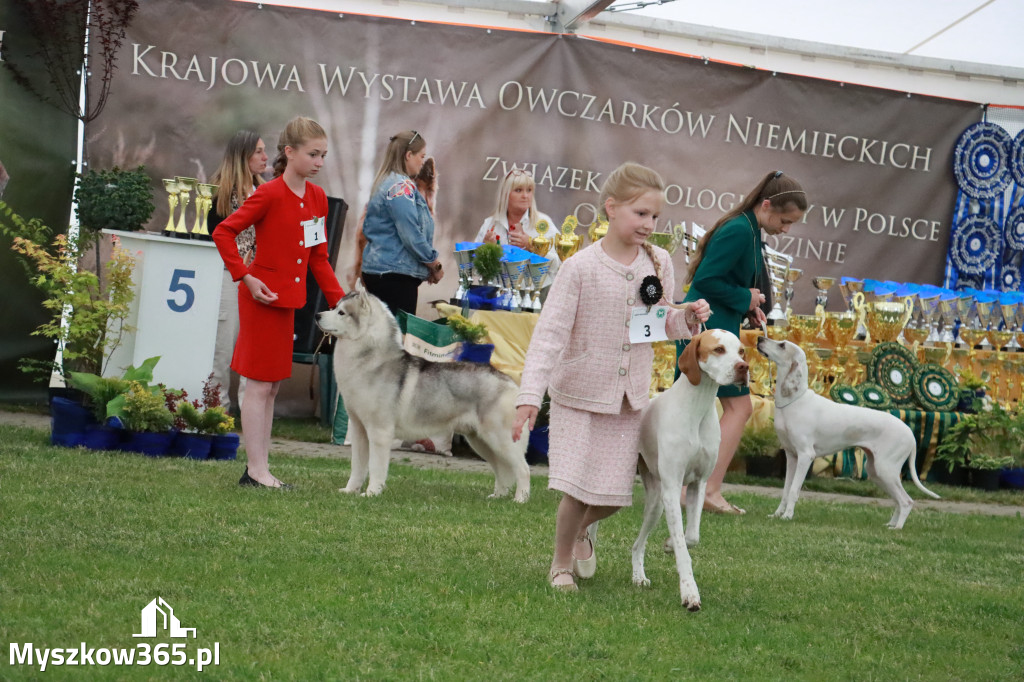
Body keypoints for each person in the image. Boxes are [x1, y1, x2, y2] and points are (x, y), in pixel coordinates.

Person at [511, 162, 711, 591]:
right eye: (640, 214)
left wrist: (687, 319)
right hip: (579, 393)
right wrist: (530, 395)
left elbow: (656, 325)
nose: (649, 224)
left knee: (614, 495)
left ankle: (580, 531)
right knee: (578, 488)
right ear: (611, 208)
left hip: (628, 399)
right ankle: (560, 563)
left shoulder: (657, 264)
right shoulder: (579, 267)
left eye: (655, 217)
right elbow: (549, 335)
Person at [212, 116, 345, 489]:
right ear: (289, 152)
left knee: (270, 386)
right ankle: (256, 471)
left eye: (324, 155)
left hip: (287, 300)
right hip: (260, 298)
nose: (320, 162)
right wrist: (245, 277)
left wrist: (342, 303)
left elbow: (318, 258)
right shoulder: (268, 192)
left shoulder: (317, 198)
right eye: (313, 154)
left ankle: (259, 468)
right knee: (258, 385)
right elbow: (224, 232)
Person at [679, 170, 808, 515]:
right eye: (784, 220)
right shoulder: (740, 230)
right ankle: (705, 490)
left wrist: (749, 307)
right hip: (709, 329)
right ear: (766, 205)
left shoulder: (748, 229)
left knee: (707, 410)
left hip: (715, 325)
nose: (786, 228)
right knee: (740, 408)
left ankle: (693, 488)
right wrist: (744, 297)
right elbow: (706, 279)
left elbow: (724, 280)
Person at [206, 130, 269, 413]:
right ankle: (215, 409)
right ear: (242, 156)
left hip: (261, 279)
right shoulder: (221, 193)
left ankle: (250, 411)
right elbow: (217, 236)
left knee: (254, 350)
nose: (265, 157)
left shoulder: (265, 191)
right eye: (258, 151)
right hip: (229, 277)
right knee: (223, 345)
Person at [361, 130, 443, 316]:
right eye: (421, 156)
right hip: (395, 277)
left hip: (381, 272)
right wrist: (433, 263)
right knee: (396, 339)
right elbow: (410, 233)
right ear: (408, 155)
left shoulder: (385, 182)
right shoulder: (400, 186)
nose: (422, 162)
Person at [474, 167, 560, 277]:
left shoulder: (544, 223)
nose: (525, 196)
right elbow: (475, 271)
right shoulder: (490, 224)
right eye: (518, 190)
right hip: (498, 292)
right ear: (505, 194)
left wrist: (532, 246)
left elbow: (558, 265)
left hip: (536, 293)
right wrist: (486, 251)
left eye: (529, 190)